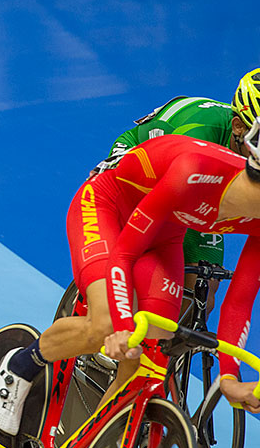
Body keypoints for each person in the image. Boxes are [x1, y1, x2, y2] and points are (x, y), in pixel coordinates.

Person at [0, 122, 260, 437]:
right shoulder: (195, 169)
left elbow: (239, 302)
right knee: (105, 324)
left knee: (150, 349)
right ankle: (21, 365)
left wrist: (229, 379)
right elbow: (126, 252)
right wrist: (122, 322)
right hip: (108, 206)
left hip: (163, 236)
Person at [94, 71, 259, 309]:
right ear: (238, 127)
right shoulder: (200, 132)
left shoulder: (247, 145)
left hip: (202, 185)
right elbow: (170, 200)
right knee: (145, 252)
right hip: (144, 162)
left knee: (204, 293)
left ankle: (162, 343)